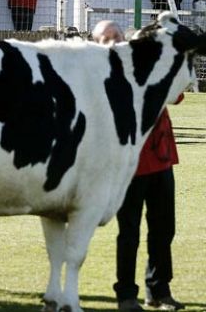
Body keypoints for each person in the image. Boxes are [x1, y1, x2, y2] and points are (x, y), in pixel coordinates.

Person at [91, 21, 186, 312]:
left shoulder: (148, 63)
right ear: (96, 44)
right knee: (129, 232)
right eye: (105, 39)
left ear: (126, 37)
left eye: (116, 36)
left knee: (164, 229)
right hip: (127, 166)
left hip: (161, 159)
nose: (112, 42)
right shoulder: (98, 74)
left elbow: (178, 94)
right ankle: (126, 295)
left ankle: (159, 290)